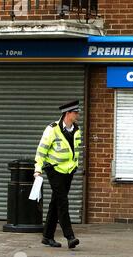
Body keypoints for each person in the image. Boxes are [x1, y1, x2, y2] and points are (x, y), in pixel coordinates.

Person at [34, 100, 81, 249]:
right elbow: (42, 149)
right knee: (62, 201)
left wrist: (75, 166)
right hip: (54, 170)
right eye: (76, 112)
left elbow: (76, 150)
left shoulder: (77, 129)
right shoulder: (52, 129)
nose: (78, 115)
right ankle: (70, 236)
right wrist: (38, 168)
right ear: (68, 113)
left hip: (68, 171)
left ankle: (47, 236)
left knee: (55, 203)